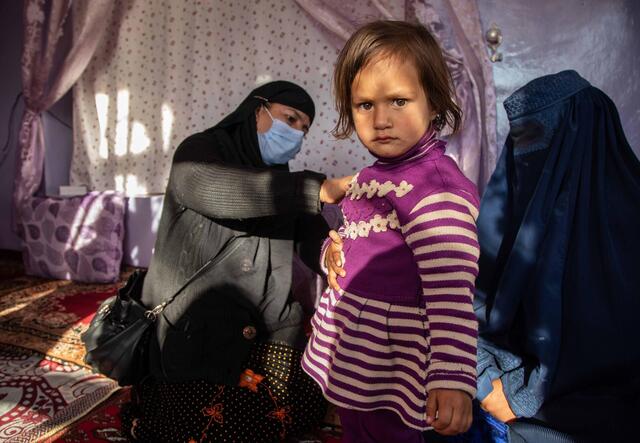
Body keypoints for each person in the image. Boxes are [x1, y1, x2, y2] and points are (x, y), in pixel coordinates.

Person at [123, 80, 353, 442]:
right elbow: (218, 190)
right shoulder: (198, 152)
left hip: (266, 325)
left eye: (303, 128)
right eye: (289, 119)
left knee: (298, 404)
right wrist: (314, 189)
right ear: (257, 109)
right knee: (198, 425)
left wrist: (331, 251)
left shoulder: (281, 181)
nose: (295, 134)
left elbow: (309, 232)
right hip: (196, 325)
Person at [302, 21, 480, 443]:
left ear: (434, 102)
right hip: (356, 347)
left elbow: (451, 293)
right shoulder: (372, 174)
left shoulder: (437, 189)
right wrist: (332, 247)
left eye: (399, 100)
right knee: (357, 429)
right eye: (365, 105)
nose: (381, 120)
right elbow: (361, 232)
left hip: (393, 360)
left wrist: (452, 376)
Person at [474, 70, 640, 442]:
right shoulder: (517, 212)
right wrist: (489, 380)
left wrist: (524, 397)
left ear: (577, 138)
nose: (524, 155)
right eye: (518, 141)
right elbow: (475, 309)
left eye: (535, 137)